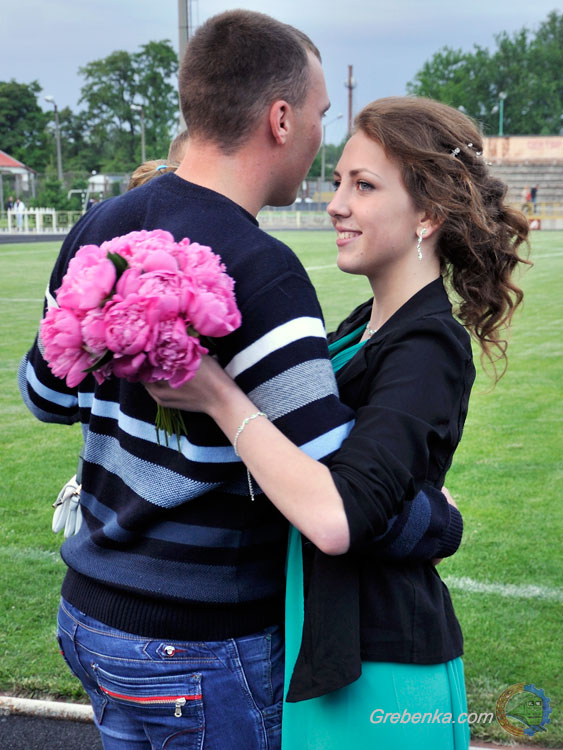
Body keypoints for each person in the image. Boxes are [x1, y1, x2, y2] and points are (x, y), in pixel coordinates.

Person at [19, 12, 451, 750]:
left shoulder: (99, 225)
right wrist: (436, 521)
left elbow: (46, 396)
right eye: (319, 114)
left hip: (90, 618)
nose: (318, 135)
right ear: (280, 120)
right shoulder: (262, 269)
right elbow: (333, 488)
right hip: (199, 643)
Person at [146, 97, 530, 749]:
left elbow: (338, 519)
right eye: (337, 182)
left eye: (364, 186)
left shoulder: (428, 344)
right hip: (325, 647)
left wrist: (219, 399)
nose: (335, 204)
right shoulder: (360, 326)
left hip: (381, 668)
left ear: (428, 215)